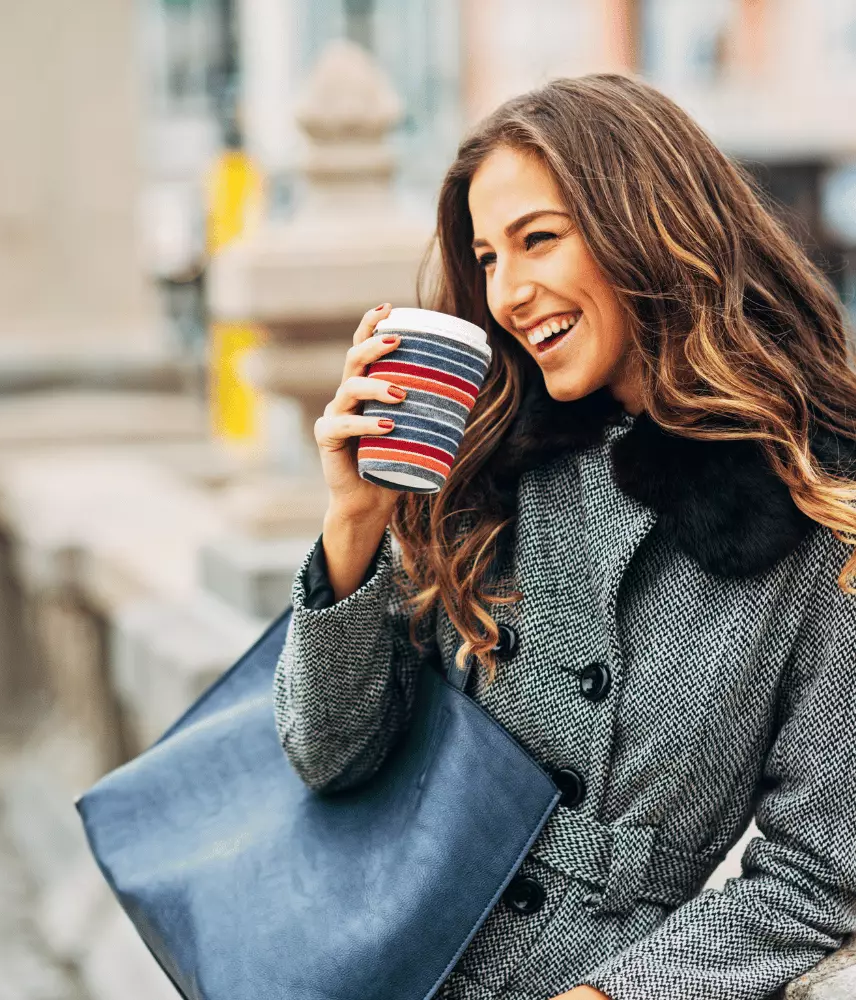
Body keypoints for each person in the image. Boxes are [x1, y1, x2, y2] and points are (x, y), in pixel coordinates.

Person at [272, 74, 856, 1000]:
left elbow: (820, 878)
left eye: (539, 239)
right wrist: (354, 520)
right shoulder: (484, 464)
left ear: (647, 226)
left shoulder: (819, 504)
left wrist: (610, 997)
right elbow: (328, 754)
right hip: (382, 959)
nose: (508, 293)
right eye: (487, 256)